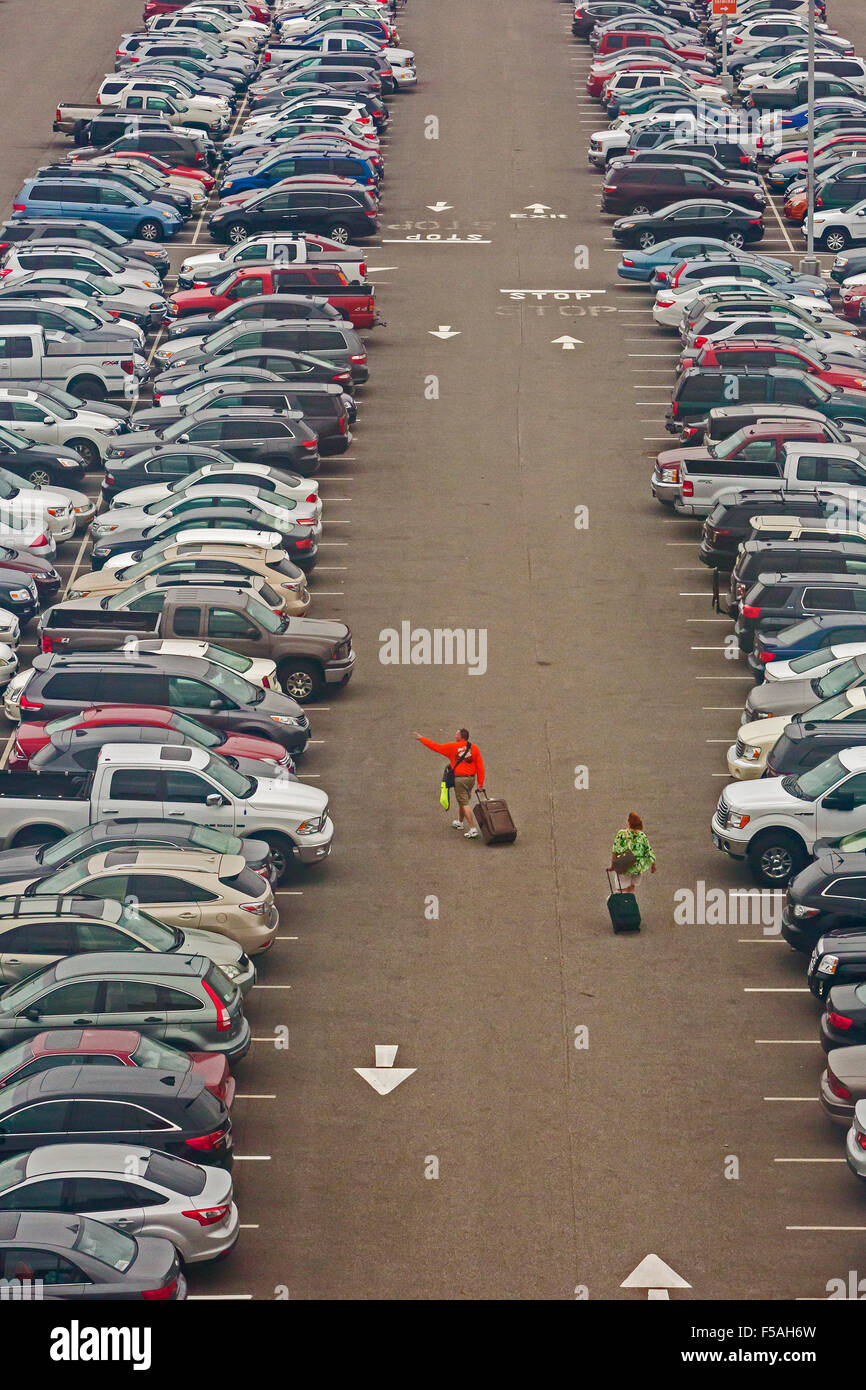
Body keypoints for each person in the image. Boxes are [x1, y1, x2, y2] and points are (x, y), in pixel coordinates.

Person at [414, 728, 485, 838]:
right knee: (463, 800)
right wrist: (480, 784)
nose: (455, 735)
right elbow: (480, 767)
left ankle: (472, 828)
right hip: (471, 779)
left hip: (460, 780)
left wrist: (422, 738)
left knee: (464, 803)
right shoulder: (474, 748)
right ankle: (460, 822)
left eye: (456, 734)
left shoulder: (453, 747)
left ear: (460, 737)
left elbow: (436, 747)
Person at [610, 812, 656, 894]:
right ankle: (630, 905)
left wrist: (613, 865)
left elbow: (615, 850)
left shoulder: (622, 833)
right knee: (631, 889)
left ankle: (623, 905)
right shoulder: (642, 835)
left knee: (622, 890)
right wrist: (653, 865)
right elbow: (649, 851)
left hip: (624, 865)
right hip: (637, 868)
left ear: (629, 822)